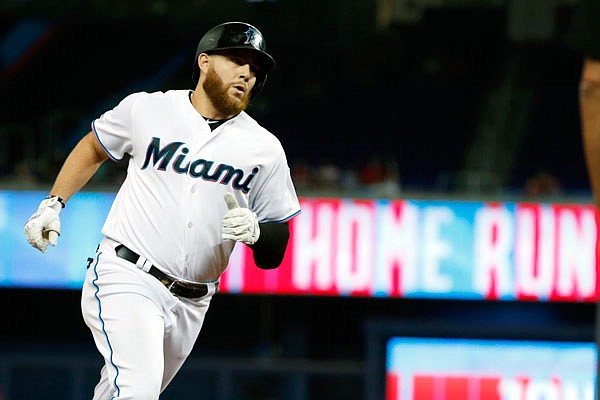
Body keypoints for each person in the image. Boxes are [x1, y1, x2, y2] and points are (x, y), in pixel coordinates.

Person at [24, 21, 301, 399]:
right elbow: (94, 146)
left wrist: (257, 233)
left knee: (120, 392)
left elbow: (276, 248)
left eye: (255, 70)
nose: (246, 74)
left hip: (193, 300)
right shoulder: (149, 108)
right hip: (129, 274)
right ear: (204, 62)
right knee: (138, 391)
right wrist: (53, 204)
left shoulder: (264, 148)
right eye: (237, 60)